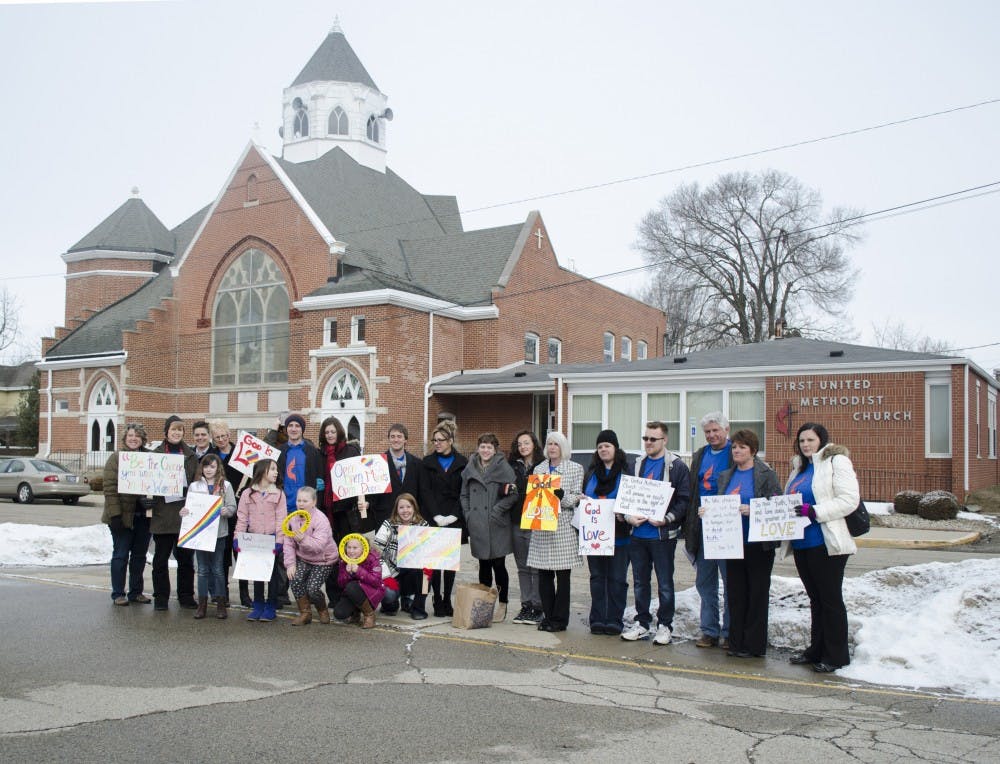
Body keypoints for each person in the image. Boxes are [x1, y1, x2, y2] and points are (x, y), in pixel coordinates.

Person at [783, 422, 859, 673]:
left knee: (830, 600)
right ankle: (816, 649)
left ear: (821, 441)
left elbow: (849, 500)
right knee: (815, 599)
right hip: (803, 543)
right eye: (802, 440)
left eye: (810, 440)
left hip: (827, 542)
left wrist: (815, 511)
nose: (805, 444)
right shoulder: (799, 468)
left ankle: (836, 655)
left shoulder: (836, 462)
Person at [711, 429, 781, 657]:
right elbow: (720, 505)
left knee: (757, 594)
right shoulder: (726, 476)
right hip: (732, 543)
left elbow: (778, 507)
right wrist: (708, 512)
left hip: (758, 544)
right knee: (736, 594)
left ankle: (754, 645)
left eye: (742, 447)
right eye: (734, 447)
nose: (737, 451)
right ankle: (736, 642)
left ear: (753, 450)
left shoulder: (766, 474)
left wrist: (754, 510)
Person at [622, 421, 691, 645]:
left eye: (653, 439)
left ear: (664, 440)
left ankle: (664, 626)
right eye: (646, 438)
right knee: (640, 582)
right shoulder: (637, 464)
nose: (649, 443)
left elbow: (684, 500)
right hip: (638, 535)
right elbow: (627, 496)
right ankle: (642, 623)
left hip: (662, 537)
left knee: (664, 583)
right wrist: (628, 516)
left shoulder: (676, 467)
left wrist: (667, 518)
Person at [684, 412, 734, 649]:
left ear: (726, 429)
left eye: (716, 430)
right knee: (705, 583)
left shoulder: (735, 452)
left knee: (730, 582)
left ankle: (730, 631)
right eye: (708, 432)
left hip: (726, 526)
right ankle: (709, 631)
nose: (712, 435)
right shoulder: (700, 455)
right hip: (702, 526)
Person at [527, 431, 583, 632]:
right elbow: (533, 498)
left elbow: (576, 498)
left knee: (563, 577)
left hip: (562, 528)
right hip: (542, 526)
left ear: (563, 447)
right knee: (543, 575)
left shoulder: (575, 469)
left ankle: (560, 619)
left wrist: (561, 495)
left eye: (556, 444)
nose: (552, 447)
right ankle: (548, 617)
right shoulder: (539, 468)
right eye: (549, 444)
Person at [461, 432, 518, 622]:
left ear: (495, 450)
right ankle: (484, 604)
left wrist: (496, 511)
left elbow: (513, 494)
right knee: (483, 565)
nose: (485, 450)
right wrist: (469, 515)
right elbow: (464, 495)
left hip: (496, 524)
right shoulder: (470, 467)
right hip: (477, 523)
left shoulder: (504, 468)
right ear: (478, 448)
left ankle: (502, 604)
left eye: (489, 447)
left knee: (499, 565)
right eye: (483, 446)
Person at [583, 430, 632, 636]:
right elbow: (584, 495)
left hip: (619, 536)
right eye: (600, 446)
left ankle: (614, 619)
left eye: (607, 446)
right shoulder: (592, 473)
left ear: (615, 449)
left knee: (617, 579)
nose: (603, 449)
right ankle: (597, 618)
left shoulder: (626, 473)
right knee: (597, 578)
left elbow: (632, 501)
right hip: (595, 538)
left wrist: (625, 513)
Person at [419, 420, 468, 616]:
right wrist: (436, 515)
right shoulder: (427, 463)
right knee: (435, 563)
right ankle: (437, 599)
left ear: (451, 441)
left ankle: (448, 599)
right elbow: (425, 490)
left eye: (441, 440)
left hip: (453, 518)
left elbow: (464, 491)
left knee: (449, 564)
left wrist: (454, 515)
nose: (437, 443)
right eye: (435, 440)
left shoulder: (463, 463)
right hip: (434, 517)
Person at [150, 416, 199, 611]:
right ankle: (161, 596)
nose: (177, 433)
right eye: (173, 430)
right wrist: (148, 498)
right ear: (166, 432)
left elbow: (197, 482)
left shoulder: (191, 456)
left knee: (185, 560)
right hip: (162, 514)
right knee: (160, 560)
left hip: (183, 514)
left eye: (180, 430)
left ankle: (186, 595)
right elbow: (147, 482)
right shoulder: (156, 454)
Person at [102, 423, 153, 606]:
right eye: (131, 435)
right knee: (121, 555)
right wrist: (115, 515)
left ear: (142, 439)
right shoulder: (116, 458)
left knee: (139, 556)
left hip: (143, 517)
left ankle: (136, 592)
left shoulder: (150, 458)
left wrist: (150, 501)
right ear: (125, 438)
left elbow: (155, 483)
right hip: (122, 516)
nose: (134, 439)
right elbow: (109, 488)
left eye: (137, 436)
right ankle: (118, 593)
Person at [184, 453, 237, 619]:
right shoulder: (194, 486)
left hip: (219, 534)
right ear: (202, 468)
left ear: (218, 468)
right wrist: (184, 512)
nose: (209, 469)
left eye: (212, 466)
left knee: (218, 569)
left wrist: (226, 511)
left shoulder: (225, 486)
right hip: (200, 534)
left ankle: (221, 604)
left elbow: (232, 506)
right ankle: (202, 604)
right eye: (206, 466)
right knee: (202, 570)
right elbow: (189, 508)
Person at [234, 459, 285, 622]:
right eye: (272, 469)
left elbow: (281, 519)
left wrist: (280, 540)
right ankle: (258, 605)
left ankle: (271, 606)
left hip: (271, 538)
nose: (276, 472)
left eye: (276, 470)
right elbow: (242, 517)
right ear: (262, 471)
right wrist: (237, 538)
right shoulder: (247, 494)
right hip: (253, 539)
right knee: (257, 574)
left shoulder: (279, 494)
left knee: (272, 575)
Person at [208, 419, 248, 606]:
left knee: (240, 552)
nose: (221, 439)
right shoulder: (211, 455)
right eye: (217, 437)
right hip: (219, 511)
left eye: (224, 436)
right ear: (213, 439)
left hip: (240, 507)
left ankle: (244, 594)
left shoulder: (240, 452)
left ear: (229, 435)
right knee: (222, 555)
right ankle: (221, 592)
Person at [283, 486, 337, 626]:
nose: (300, 504)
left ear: (314, 502)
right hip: (304, 557)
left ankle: (322, 610)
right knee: (295, 579)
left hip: (323, 559)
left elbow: (318, 546)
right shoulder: (293, 519)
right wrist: (290, 564)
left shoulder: (321, 520)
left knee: (312, 589)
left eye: (305, 501)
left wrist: (303, 540)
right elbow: (288, 543)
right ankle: (305, 613)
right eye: (299, 500)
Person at [373, 492, 430, 619]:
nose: (405, 510)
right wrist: (386, 577)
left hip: (412, 571)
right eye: (401, 507)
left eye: (408, 507)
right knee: (390, 599)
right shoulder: (388, 524)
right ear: (396, 509)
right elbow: (376, 552)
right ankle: (390, 604)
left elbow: (430, 551)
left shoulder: (423, 525)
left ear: (414, 508)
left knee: (428, 574)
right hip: (393, 570)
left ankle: (417, 608)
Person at [508, 430, 544, 625]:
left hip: (535, 521)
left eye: (526, 443)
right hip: (516, 520)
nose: (523, 446)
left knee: (535, 567)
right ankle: (526, 604)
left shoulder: (543, 466)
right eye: (520, 443)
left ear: (534, 445)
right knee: (522, 567)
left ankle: (538, 606)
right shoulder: (511, 466)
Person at [368, 423, 422, 532]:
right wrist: (367, 502)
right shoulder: (377, 462)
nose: (396, 440)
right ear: (389, 439)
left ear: (405, 440)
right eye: (392, 436)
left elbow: (421, 492)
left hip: (410, 517)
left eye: (399, 436)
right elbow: (372, 491)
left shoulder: (417, 463)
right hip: (385, 517)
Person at [318, 416, 363, 542]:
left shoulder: (351, 451)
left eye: (333, 432)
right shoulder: (320, 453)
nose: (330, 435)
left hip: (346, 508)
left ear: (339, 432)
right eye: (326, 432)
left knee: (347, 544)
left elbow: (360, 478)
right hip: (326, 507)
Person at [334, 533, 385, 628]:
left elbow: (376, 582)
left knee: (352, 586)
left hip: (371, 592)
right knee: (339, 613)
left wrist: (358, 571)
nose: (351, 551)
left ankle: (369, 615)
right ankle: (355, 613)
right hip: (352, 592)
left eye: (355, 548)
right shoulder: (344, 560)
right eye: (349, 547)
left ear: (363, 548)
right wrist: (347, 574)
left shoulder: (372, 558)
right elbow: (340, 584)